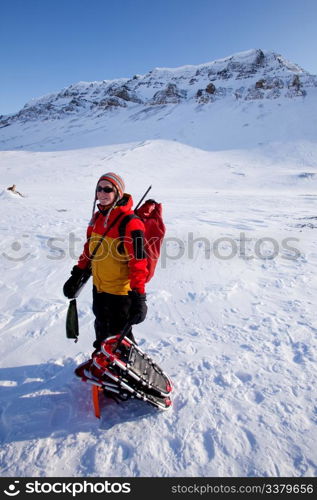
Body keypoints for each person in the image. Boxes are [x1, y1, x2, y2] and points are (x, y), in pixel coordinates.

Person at [63, 172, 148, 349]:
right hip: (99, 287)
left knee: (120, 334)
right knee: (101, 325)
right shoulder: (97, 218)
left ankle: (126, 367)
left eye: (107, 189)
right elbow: (90, 249)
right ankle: (103, 356)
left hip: (120, 292)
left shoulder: (131, 223)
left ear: (118, 192)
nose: (102, 194)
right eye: (99, 189)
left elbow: (139, 262)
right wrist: (77, 273)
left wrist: (139, 297)